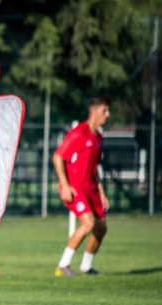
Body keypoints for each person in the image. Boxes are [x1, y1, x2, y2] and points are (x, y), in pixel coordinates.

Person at [53, 96, 111, 276]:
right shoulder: (79, 133)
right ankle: (63, 265)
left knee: (101, 229)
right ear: (94, 111)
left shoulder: (98, 138)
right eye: (104, 111)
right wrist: (65, 184)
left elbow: (94, 168)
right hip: (75, 189)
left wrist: (101, 193)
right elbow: (58, 157)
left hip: (92, 190)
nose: (108, 115)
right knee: (88, 223)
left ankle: (86, 266)